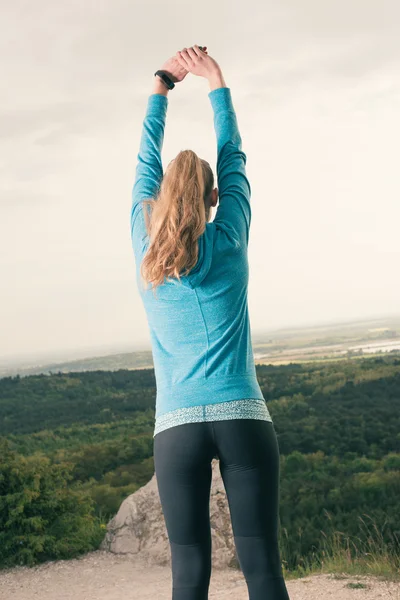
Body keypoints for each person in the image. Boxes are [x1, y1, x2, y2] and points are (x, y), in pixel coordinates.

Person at [130, 45, 290, 600]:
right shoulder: (230, 239)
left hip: (176, 430)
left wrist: (161, 86)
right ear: (215, 199)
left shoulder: (144, 248)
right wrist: (215, 81)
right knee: (263, 570)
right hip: (243, 415)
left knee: (188, 573)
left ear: (158, 201)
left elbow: (144, 165)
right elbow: (234, 157)